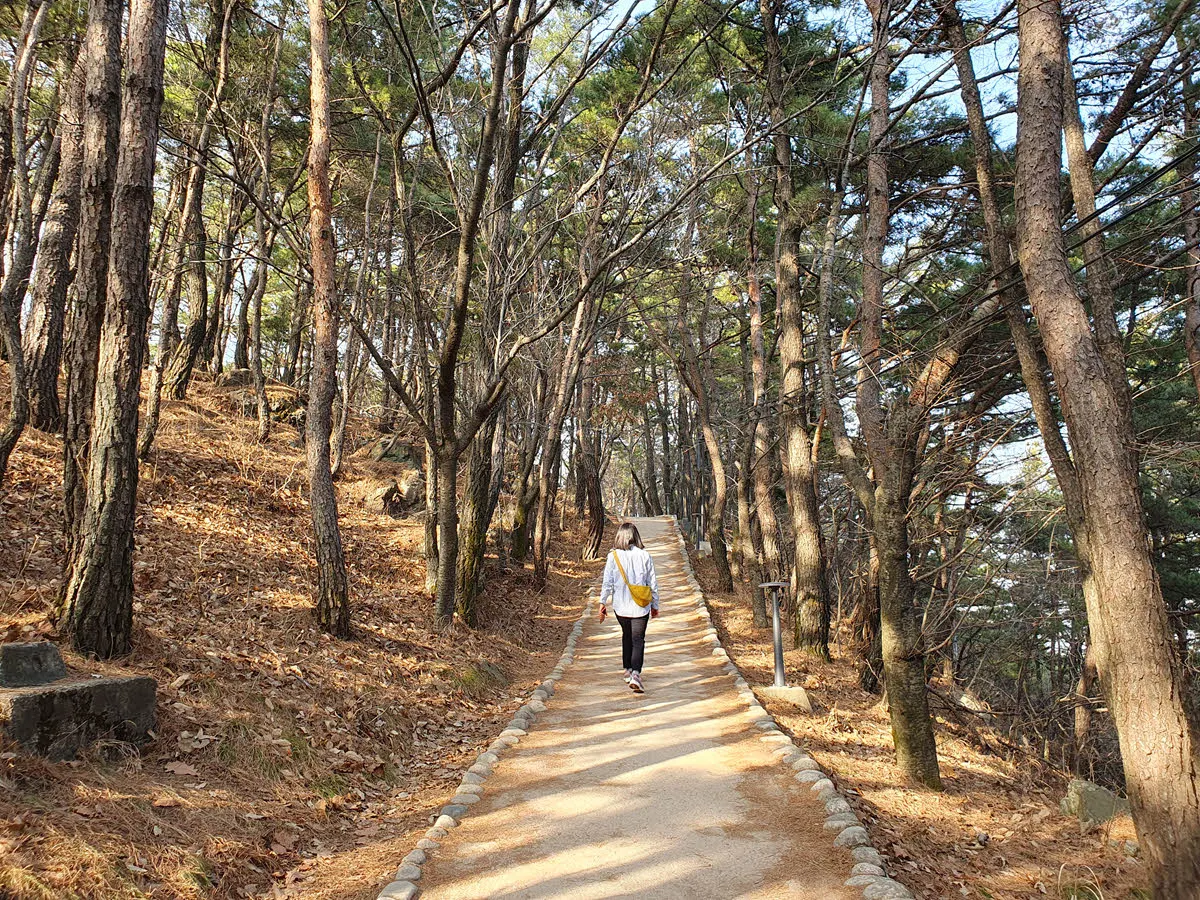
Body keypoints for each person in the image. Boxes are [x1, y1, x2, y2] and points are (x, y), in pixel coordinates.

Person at [598, 522, 660, 693]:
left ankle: (627, 669)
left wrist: (602, 602)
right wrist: (655, 604)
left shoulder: (613, 556)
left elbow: (607, 582)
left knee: (627, 635)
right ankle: (636, 674)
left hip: (621, 607)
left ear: (620, 536)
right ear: (636, 536)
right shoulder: (645, 555)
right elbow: (652, 583)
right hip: (641, 605)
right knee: (638, 640)